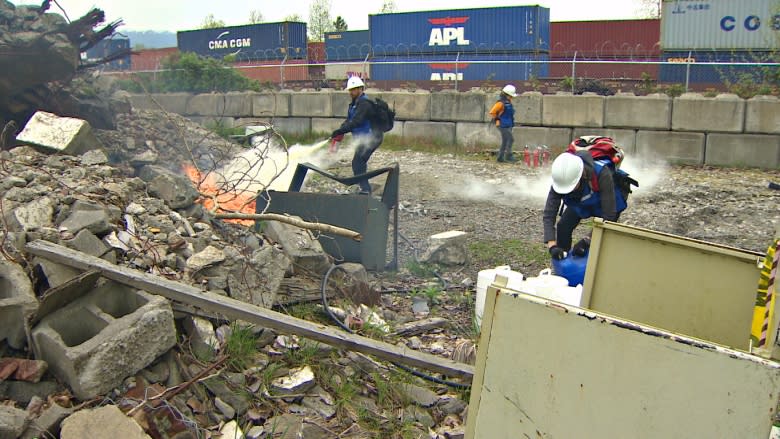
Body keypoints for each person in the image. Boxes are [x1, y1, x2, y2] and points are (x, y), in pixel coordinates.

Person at [543, 151, 629, 260]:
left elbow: (609, 216)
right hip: (581, 201)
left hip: (609, 202)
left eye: (570, 187)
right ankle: (563, 260)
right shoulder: (560, 181)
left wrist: (587, 241)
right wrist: (552, 246)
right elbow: (549, 214)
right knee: (563, 226)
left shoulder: (602, 173)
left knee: (603, 235)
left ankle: (596, 265)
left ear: (581, 175)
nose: (567, 191)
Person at [330, 76, 383, 195]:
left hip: (372, 138)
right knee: (358, 163)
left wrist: (342, 130)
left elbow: (357, 121)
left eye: (353, 89)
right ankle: (365, 188)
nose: (351, 92)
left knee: (358, 163)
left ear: (360, 89)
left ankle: (365, 190)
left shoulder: (365, 104)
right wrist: (339, 131)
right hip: (363, 139)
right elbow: (349, 120)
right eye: (350, 90)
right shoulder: (354, 104)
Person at [488, 84, 518, 163]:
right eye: (510, 96)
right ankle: (508, 156)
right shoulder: (500, 103)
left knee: (505, 141)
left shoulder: (508, 102)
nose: (511, 98)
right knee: (510, 139)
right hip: (502, 125)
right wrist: (497, 119)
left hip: (508, 124)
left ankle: (500, 158)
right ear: (506, 95)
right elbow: (492, 112)